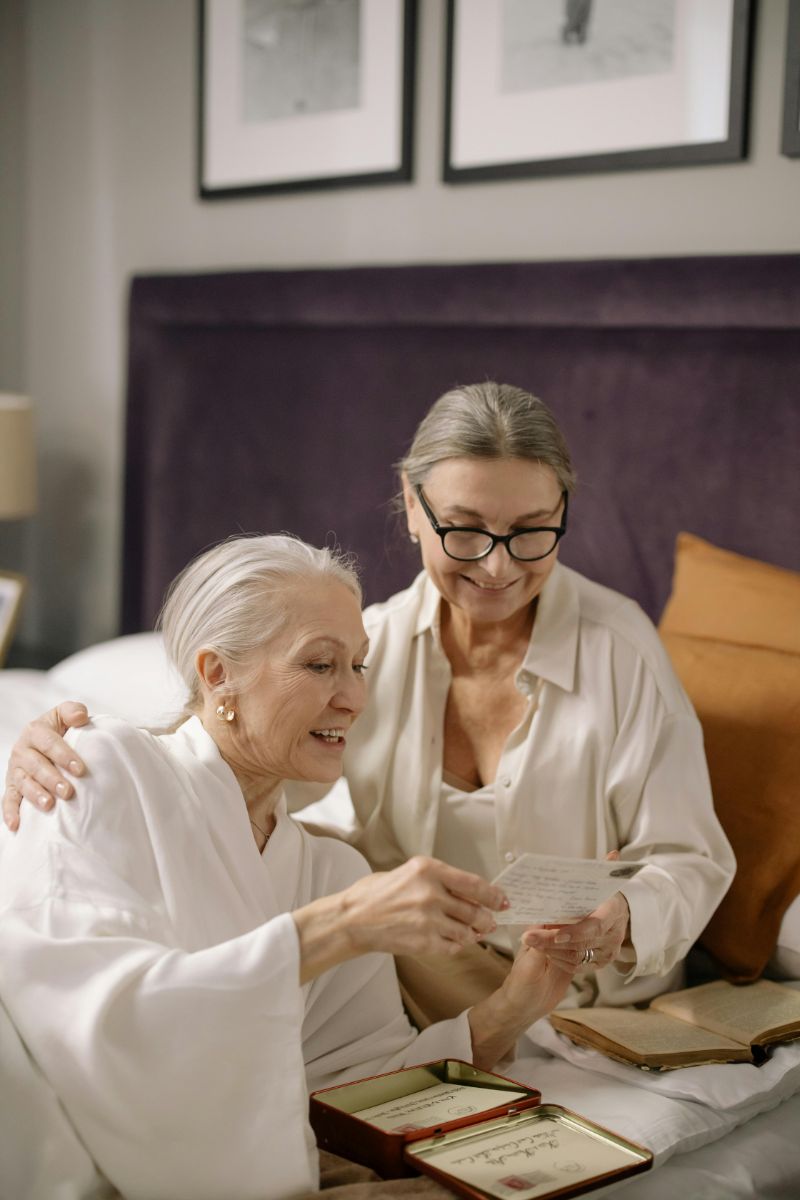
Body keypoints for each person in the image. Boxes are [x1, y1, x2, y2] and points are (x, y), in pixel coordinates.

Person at [3, 382, 735, 1022]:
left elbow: (689, 856)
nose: (499, 565)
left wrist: (625, 921)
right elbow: (232, 751)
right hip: (418, 988)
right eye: (466, 529)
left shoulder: (621, 649)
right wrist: (78, 747)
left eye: (530, 531)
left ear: (563, 508)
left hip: (593, 1005)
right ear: (412, 507)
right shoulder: (364, 647)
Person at [0, 535, 576, 1200]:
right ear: (217, 675)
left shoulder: (328, 867)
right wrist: (337, 928)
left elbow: (354, 1085)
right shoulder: (95, 769)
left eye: (359, 666)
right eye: (320, 665)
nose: (354, 698)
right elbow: (96, 1025)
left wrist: (515, 1005)